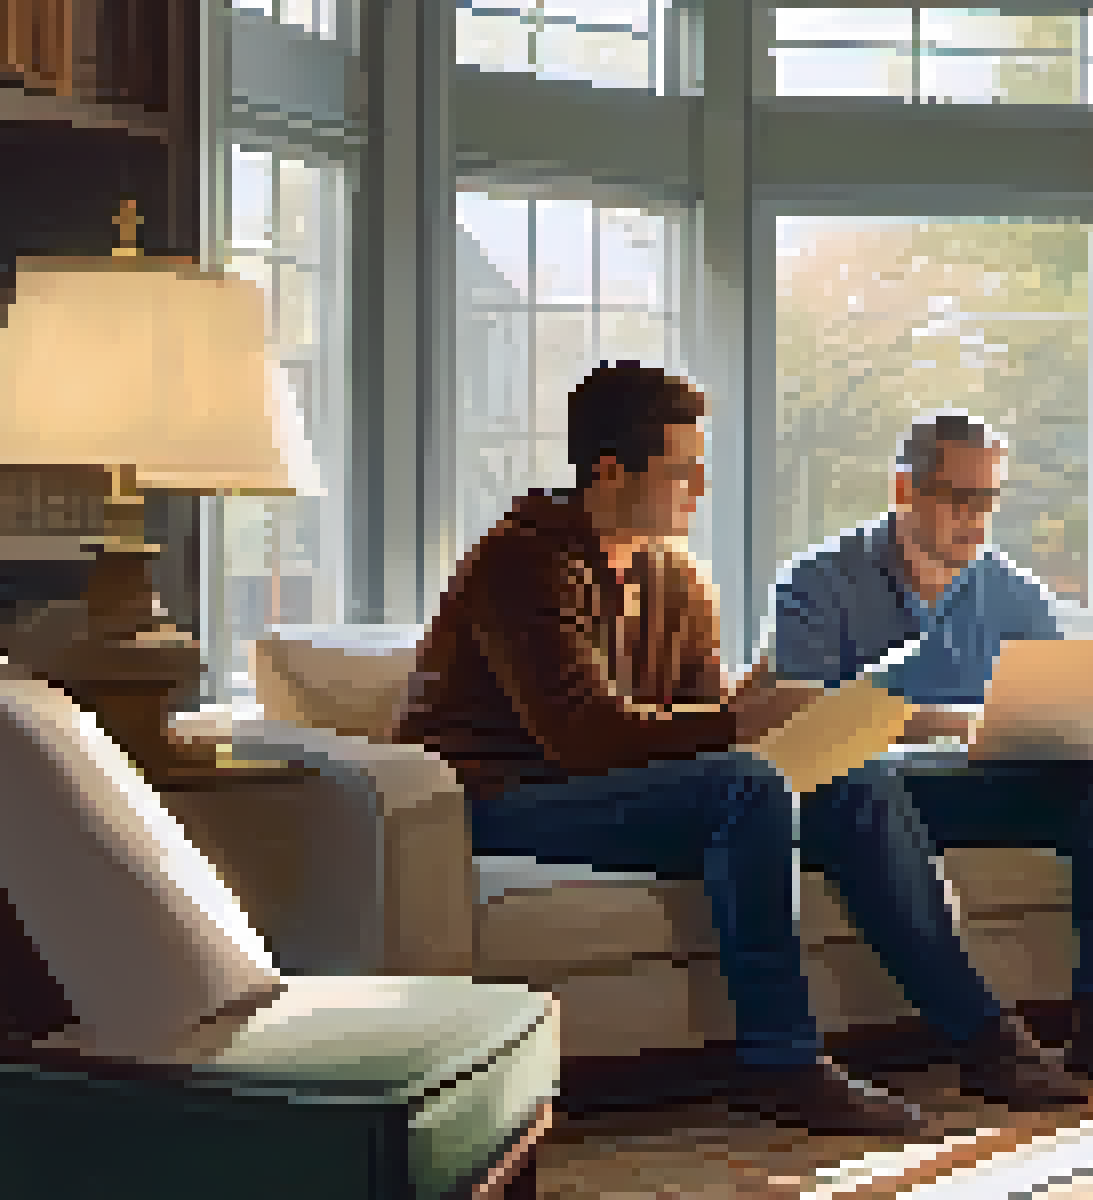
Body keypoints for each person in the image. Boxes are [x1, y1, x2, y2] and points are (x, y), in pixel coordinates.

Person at [394, 362, 935, 1136]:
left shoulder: (676, 577)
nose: (700, 488)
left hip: (616, 795)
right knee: (743, 788)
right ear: (611, 471)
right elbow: (581, 737)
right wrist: (739, 723)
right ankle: (780, 1065)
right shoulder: (521, 562)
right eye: (684, 470)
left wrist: (769, 712)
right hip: (498, 799)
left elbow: (698, 719)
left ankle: (974, 1029)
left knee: (855, 782)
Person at [780, 412, 1093, 1098]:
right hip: (861, 798)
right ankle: (985, 1039)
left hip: (968, 790)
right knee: (864, 782)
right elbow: (800, 721)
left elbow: (1054, 705)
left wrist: (1083, 727)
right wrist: (944, 721)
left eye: (986, 499)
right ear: (905, 489)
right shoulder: (817, 582)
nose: (974, 518)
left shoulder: (1012, 592)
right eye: (956, 498)